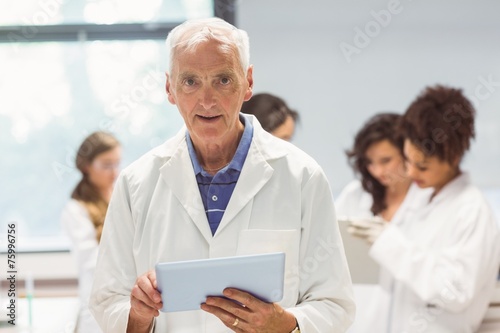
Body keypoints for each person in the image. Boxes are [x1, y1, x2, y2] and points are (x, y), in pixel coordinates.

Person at [89, 17, 355, 333]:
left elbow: (334, 303)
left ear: (248, 82)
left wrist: (284, 325)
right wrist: (139, 315)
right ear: (169, 88)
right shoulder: (136, 183)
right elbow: (107, 301)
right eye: (190, 81)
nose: (207, 100)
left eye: (223, 80)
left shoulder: (302, 177)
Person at [349, 85, 500, 332]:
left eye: (422, 166)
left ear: (452, 157)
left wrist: (390, 243)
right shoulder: (426, 201)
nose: (410, 173)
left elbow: (455, 292)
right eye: (408, 161)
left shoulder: (472, 211)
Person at [61, 131, 121, 333]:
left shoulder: (123, 195)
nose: (114, 172)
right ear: (86, 166)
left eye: (116, 163)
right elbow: (91, 264)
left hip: (128, 300)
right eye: (106, 165)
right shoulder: (76, 210)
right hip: (98, 303)